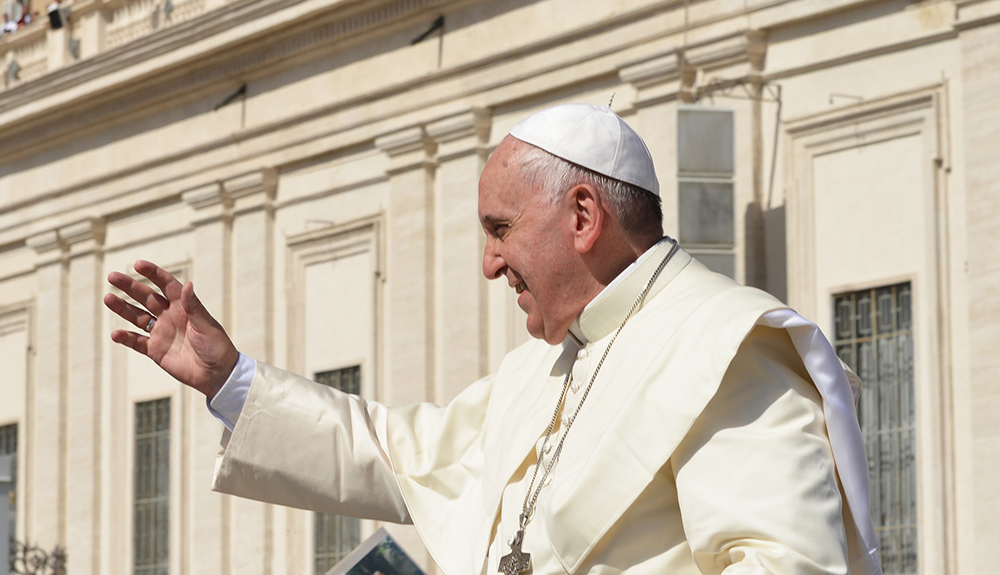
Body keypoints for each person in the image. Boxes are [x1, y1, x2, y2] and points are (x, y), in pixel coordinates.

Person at [105, 104, 882, 575]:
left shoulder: (730, 344)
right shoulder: (537, 372)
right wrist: (229, 379)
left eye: (501, 229)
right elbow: (398, 454)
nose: (488, 262)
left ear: (582, 218)